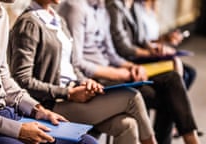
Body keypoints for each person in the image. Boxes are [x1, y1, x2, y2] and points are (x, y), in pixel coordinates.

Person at [8, 0, 157, 144]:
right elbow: (22, 79)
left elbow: (71, 66)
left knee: (127, 125)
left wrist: (85, 82)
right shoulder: (29, 23)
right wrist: (68, 93)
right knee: (133, 97)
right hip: (52, 104)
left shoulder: (58, 19)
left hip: (74, 94)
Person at [58, 0, 201, 144]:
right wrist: (120, 73)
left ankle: (189, 138)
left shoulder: (101, 7)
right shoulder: (76, 8)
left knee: (172, 79)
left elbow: (111, 53)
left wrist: (131, 67)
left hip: (111, 69)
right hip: (95, 78)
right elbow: (78, 62)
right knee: (167, 95)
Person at [0, 0, 98, 144]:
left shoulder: (2, 17)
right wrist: (16, 129)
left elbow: (4, 78)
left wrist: (37, 109)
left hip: (7, 112)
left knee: (87, 142)